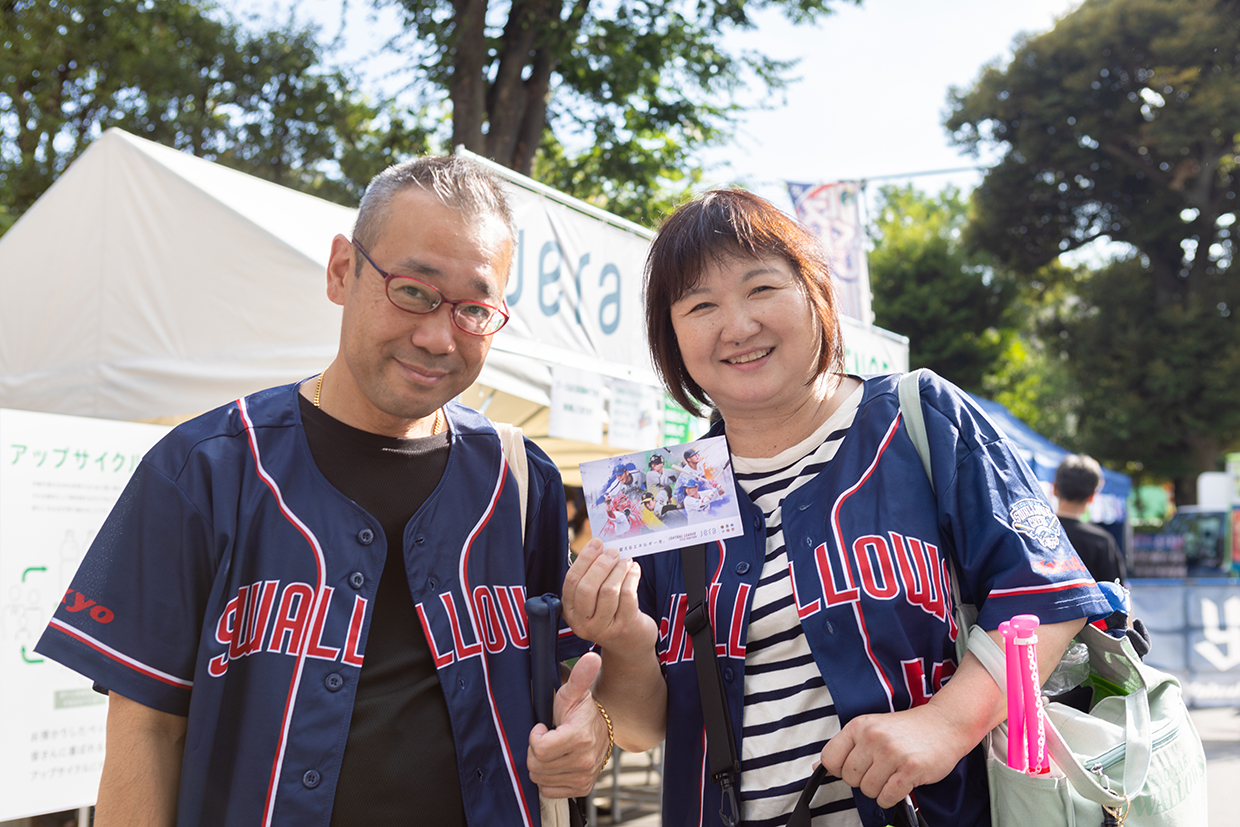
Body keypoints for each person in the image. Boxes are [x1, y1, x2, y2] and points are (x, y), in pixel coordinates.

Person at [34, 156, 636, 827]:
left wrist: (595, 730)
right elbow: (146, 732)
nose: (438, 336)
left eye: (474, 308)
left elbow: (576, 690)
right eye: (412, 290)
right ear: (342, 270)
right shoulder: (204, 469)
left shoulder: (522, 479)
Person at [561, 189, 1112, 827]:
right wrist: (625, 638)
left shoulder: (919, 418)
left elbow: (1048, 596)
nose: (737, 326)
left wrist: (945, 725)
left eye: (762, 289)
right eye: (701, 305)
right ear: (671, 335)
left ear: (816, 293)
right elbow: (640, 728)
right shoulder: (661, 489)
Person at [1054, 454, 1127, 585]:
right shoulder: (1101, 541)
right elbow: (1118, 597)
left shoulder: (1034, 535)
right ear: (1093, 496)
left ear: (1055, 489)